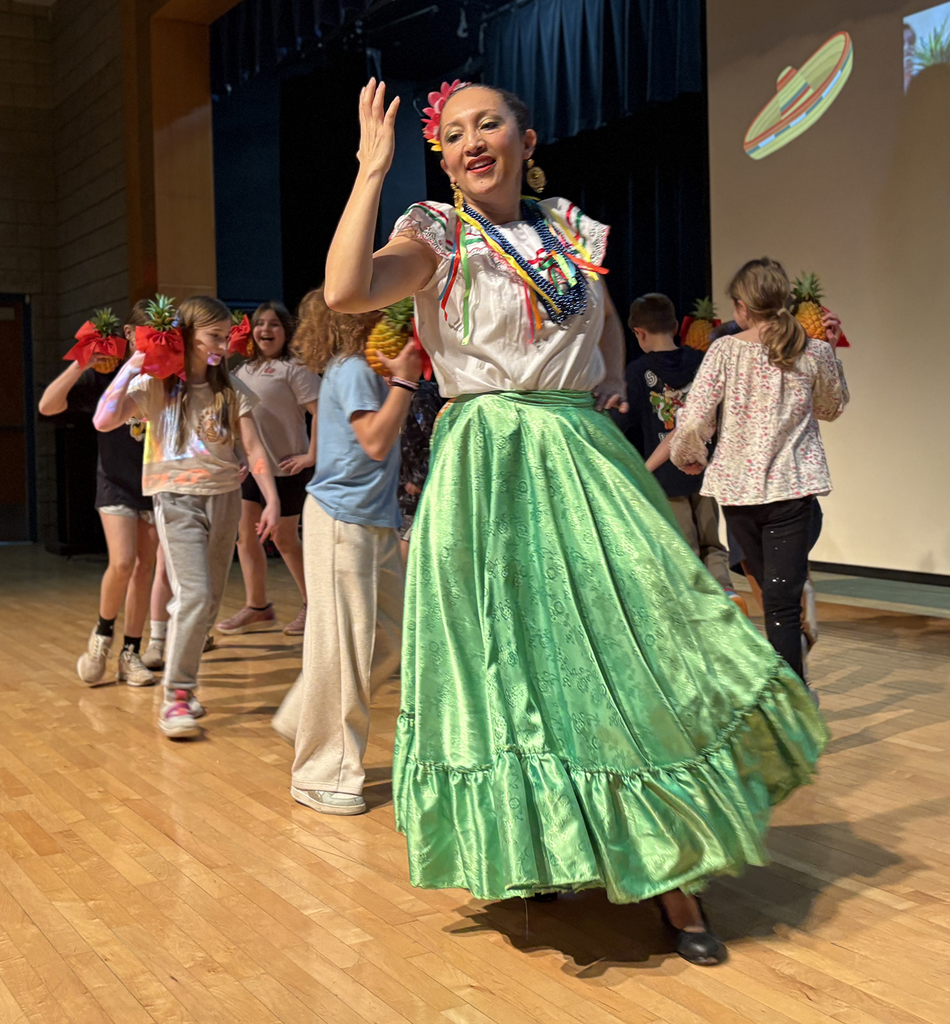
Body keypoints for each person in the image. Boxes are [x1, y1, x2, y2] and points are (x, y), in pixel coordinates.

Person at [321, 78, 827, 965]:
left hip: (578, 453)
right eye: (451, 133)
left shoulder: (572, 234)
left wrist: (597, 394)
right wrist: (371, 174)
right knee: (507, 664)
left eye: (489, 124)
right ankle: (543, 844)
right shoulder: (435, 234)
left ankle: (677, 879)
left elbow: (603, 353)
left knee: (629, 649)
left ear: (526, 135)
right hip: (486, 462)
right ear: (438, 156)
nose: (471, 141)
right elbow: (346, 292)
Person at [93, 296, 280, 739]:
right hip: (176, 500)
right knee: (194, 596)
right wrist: (134, 363)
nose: (224, 343)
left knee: (208, 602)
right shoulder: (156, 386)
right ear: (187, 336)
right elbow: (103, 420)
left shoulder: (231, 389)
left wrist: (270, 498)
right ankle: (176, 695)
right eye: (214, 335)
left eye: (226, 334)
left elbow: (253, 449)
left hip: (225, 499)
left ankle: (184, 686)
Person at [271, 289, 416, 815]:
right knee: (346, 648)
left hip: (373, 521)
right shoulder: (353, 368)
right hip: (340, 522)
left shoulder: (366, 369)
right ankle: (320, 772)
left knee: (391, 638)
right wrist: (406, 380)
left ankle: (301, 714)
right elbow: (375, 441)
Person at [670, 258, 848, 685]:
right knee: (779, 606)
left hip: (740, 492)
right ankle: (794, 702)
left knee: (773, 600)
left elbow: (694, 418)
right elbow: (831, 408)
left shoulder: (725, 351)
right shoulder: (813, 349)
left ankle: (792, 702)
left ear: (741, 306)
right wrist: (832, 350)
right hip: (792, 490)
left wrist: (688, 455)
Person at [38, 301, 158, 687]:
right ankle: (102, 637)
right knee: (123, 562)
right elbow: (47, 406)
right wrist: (82, 363)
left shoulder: (165, 375)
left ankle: (131, 654)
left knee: (145, 569)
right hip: (115, 483)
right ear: (127, 335)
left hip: (155, 482)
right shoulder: (105, 378)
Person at [611, 293, 744, 612]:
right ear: (674, 326)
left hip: (665, 477)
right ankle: (726, 591)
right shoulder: (701, 362)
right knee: (712, 542)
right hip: (705, 470)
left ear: (638, 333)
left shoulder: (637, 372)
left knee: (684, 547)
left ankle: (703, 610)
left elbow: (622, 423)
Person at [216, 301, 321, 637]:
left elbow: (321, 412)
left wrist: (311, 456)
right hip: (252, 469)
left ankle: (314, 605)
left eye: (274, 324)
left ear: (285, 331)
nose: (265, 330)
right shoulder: (239, 373)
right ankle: (258, 606)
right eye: (259, 324)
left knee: (285, 539)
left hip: (288, 468)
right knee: (245, 538)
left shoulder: (296, 368)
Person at [398, 377, 444, 561]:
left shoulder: (422, 397)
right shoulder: (393, 392)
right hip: (401, 485)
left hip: (421, 487)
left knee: (406, 545)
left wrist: (420, 477)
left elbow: (438, 440)